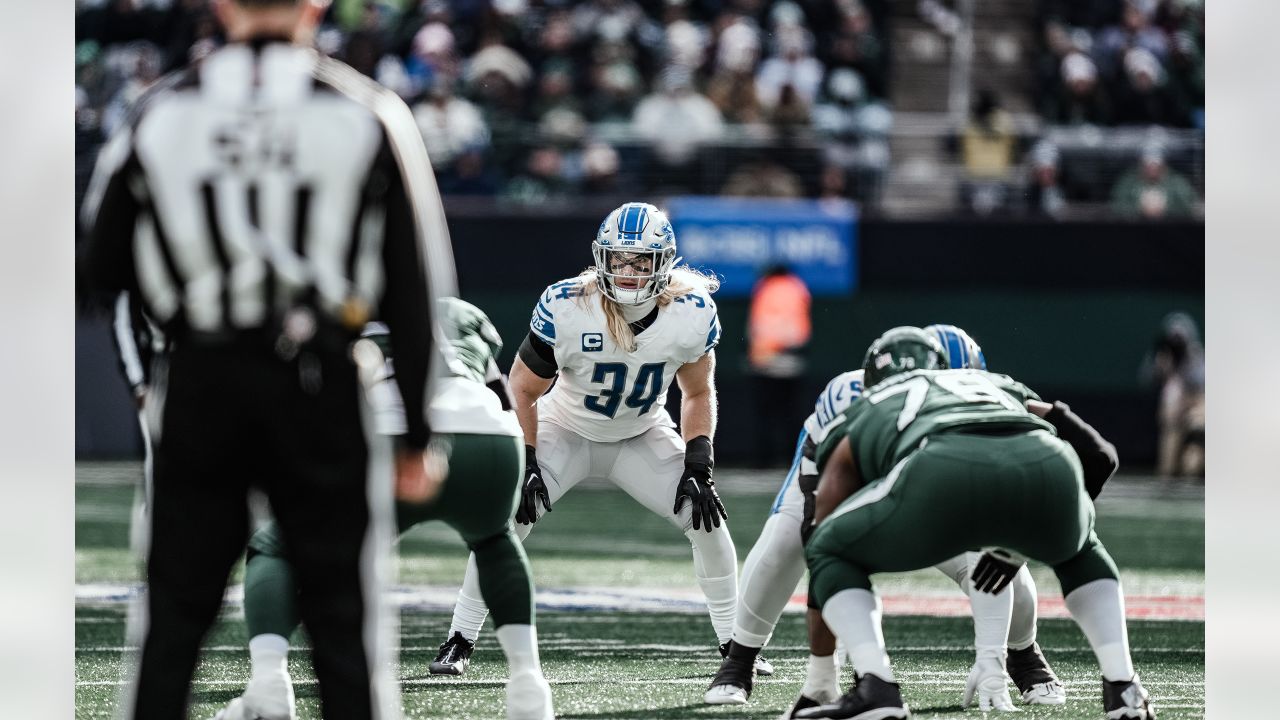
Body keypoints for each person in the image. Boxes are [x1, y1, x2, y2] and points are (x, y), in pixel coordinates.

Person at [79, 1, 454, 717]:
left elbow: (100, 262)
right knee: (345, 629)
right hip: (320, 381)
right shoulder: (365, 110)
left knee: (173, 628)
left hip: (201, 376)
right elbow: (415, 284)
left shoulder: (159, 110)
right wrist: (416, 434)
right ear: (315, 5)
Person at [709, 325, 1115, 713]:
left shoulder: (990, 395)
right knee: (789, 541)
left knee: (996, 563)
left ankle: (1021, 653)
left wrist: (990, 651)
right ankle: (740, 658)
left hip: (931, 487)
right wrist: (825, 663)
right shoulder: (851, 395)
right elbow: (820, 515)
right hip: (846, 477)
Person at [427, 202, 748, 676]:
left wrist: (699, 464)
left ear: (664, 264)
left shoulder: (691, 311)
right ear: (603, 258)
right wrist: (528, 457)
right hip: (566, 429)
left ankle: (735, 648)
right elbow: (522, 389)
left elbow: (698, 390)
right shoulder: (568, 304)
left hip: (642, 433)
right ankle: (460, 637)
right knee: (509, 519)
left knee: (707, 522)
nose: (630, 272)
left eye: (641, 261)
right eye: (620, 260)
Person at [214, 298, 554, 720]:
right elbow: (500, 396)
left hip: (388, 435)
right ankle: (528, 686)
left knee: (274, 546)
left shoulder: (339, 304)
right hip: (488, 437)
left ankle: (268, 682)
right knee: (494, 540)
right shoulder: (464, 315)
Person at [796, 327, 1157, 720]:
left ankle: (877, 685)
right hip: (1049, 462)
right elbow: (1101, 454)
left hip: (939, 467)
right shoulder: (990, 383)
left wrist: (820, 669)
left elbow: (823, 524)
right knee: (1081, 549)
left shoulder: (872, 402)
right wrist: (1019, 546)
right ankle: (1123, 686)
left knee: (827, 548)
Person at [746, 264, 812, 468]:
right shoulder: (798, 288)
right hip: (791, 359)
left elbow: (756, 325)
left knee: (765, 414)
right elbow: (802, 328)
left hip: (765, 359)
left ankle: (763, 460)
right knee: (791, 412)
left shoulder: (764, 287)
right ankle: (793, 458)